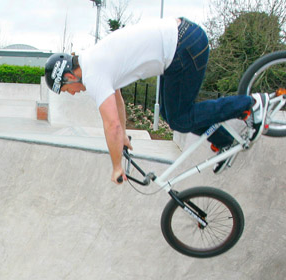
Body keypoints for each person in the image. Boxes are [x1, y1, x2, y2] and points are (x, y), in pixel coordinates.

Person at [44, 17, 271, 184]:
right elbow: (118, 100)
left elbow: (109, 124)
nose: (73, 93)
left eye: (66, 89)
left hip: (184, 47)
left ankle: (251, 104)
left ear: (70, 76)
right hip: (181, 44)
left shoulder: (93, 74)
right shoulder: (94, 60)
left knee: (181, 118)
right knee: (169, 115)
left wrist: (116, 167)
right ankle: (225, 141)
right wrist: (123, 133)